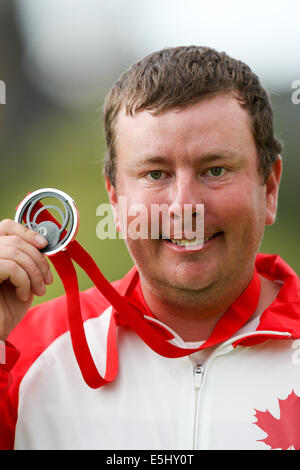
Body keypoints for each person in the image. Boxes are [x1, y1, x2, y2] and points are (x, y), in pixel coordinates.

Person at [0, 46, 300, 451]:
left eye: (215, 170)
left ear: (269, 188)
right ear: (116, 199)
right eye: (155, 173)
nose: (184, 207)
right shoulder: (25, 353)